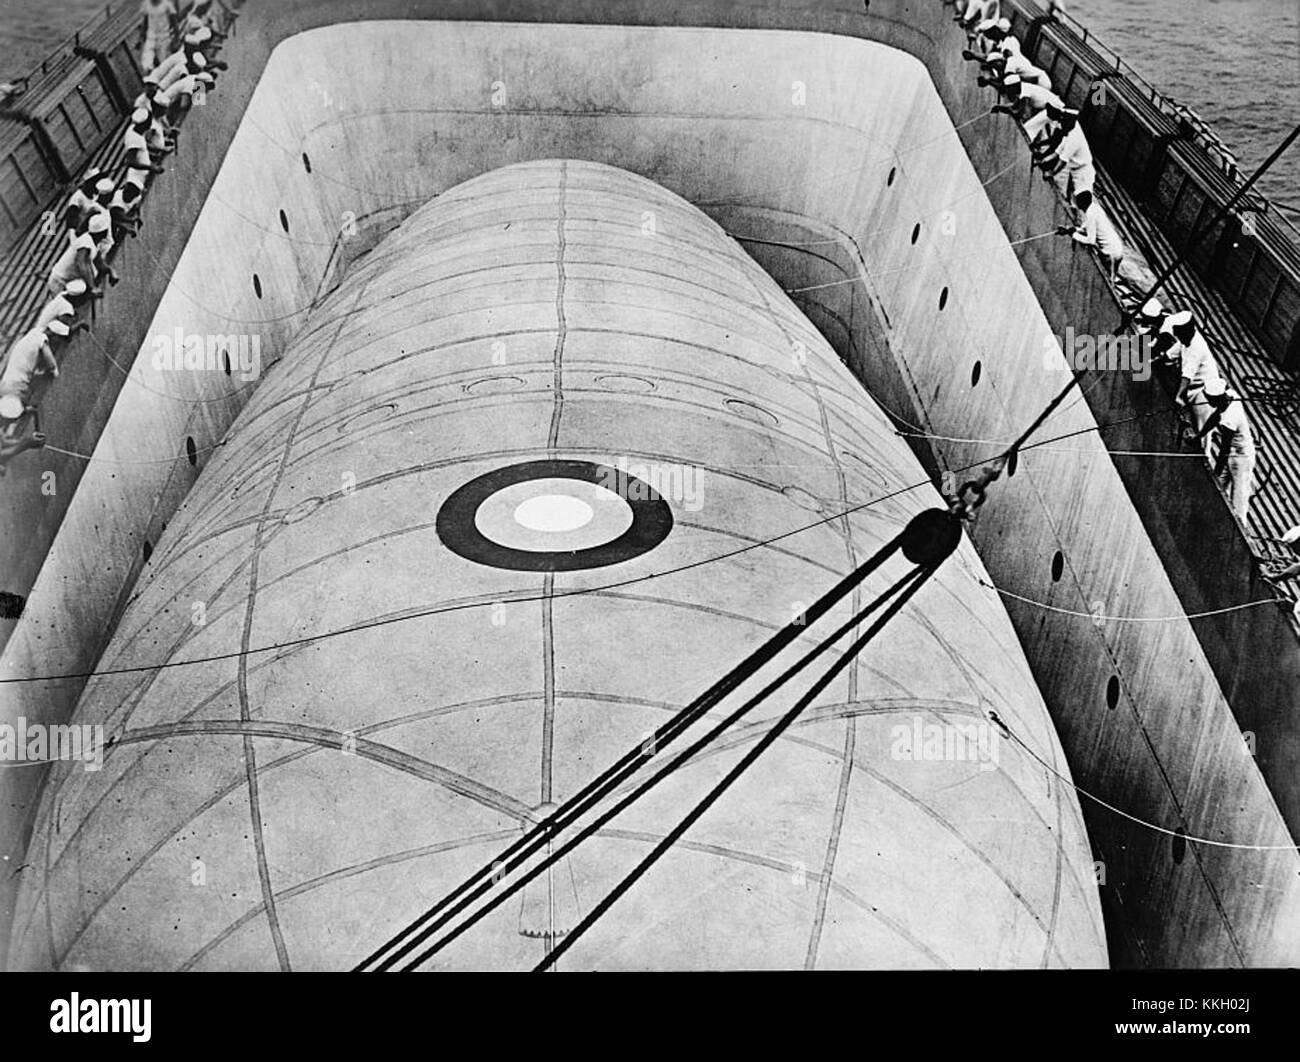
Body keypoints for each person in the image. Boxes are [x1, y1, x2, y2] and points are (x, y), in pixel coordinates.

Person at [1198, 378, 1255, 526]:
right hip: (1232, 456)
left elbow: (1224, 450)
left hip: (1241, 458)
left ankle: (1240, 529)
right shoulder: (1230, 396)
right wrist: (1198, 436)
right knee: (1217, 489)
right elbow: (1215, 418)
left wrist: (1215, 473)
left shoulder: (1230, 418)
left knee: (1239, 498)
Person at [1169, 310, 1223, 441]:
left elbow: (1187, 375)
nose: (1176, 336)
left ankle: (1206, 456)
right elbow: (1170, 354)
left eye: (1178, 333)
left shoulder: (1197, 347)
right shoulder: (1184, 340)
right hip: (1193, 389)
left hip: (1204, 393)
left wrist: (1178, 396)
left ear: (1186, 331)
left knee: (1203, 430)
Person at [993, 75, 1064, 144]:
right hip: (1048, 108)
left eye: (1008, 88)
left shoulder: (1025, 94)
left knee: (1028, 127)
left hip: (1054, 108)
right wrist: (1000, 107)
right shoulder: (1022, 87)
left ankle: (1035, 144)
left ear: (1014, 86)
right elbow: (1015, 105)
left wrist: (1010, 111)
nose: (1008, 90)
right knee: (1036, 126)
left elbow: (1026, 115)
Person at [140, 0, 177, 73]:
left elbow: (174, 21)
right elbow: (145, 21)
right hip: (151, 36)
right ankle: (150, 78)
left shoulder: (167, 5)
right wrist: (142, 36)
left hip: (164, 37)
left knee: (164, 63)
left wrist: (176, 37)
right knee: (146, 63)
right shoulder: (146, 4)